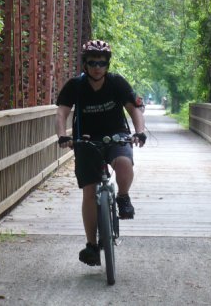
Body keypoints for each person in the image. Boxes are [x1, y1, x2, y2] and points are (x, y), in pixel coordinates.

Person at [56, 39, 146, 267]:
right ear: (85, 64)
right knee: (89, 192)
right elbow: (61, 113)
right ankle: (92, 245)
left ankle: (123, 197)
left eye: (102, 62)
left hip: (116, 134)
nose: (98, 67)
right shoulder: (75, 86)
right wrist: (63, 135)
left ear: (107, 64)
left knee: (124, 163)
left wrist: (140, 132)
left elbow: (134, 109)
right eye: (93, 62)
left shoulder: (116, 83)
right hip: (85, 139)